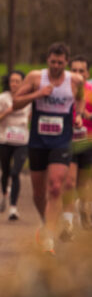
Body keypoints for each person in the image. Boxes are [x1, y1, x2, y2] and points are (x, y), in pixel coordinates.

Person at [11, 42, 85, 252]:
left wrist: (78, 116)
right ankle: (46, 223)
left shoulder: (75, 80)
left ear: (66, 63)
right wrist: (38, 94)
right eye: (52, 62)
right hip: (37, 140)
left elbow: (80, 99)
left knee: (55, 187)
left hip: (62, 140)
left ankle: (49, 237)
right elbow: (15, 103)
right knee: (38, 192)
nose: (55, 66)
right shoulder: (36, 77)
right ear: (47, 61)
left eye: (60, 63)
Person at [0, 70, 30, 221]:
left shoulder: (28, 99)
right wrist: (8, 111)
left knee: (15, 173)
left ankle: (13, 207)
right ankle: (4, 194)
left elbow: (30, 117)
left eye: (17, 81)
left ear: (23, 83)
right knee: (5, 172)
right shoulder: (2, 98)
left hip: (22, 142)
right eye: (12, 81)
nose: (14, 84)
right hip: (5, 141)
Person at [66, 55, 92, 230]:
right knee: (69, 182)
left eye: (81, 70)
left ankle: (83, 209)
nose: (77, 73)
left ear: (87, 72)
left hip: (88, 143)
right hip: (67, 143)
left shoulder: (91, 90)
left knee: (83, 185)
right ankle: (67, 223)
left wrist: (88, 116)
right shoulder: (63, 89)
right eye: (73, 70)